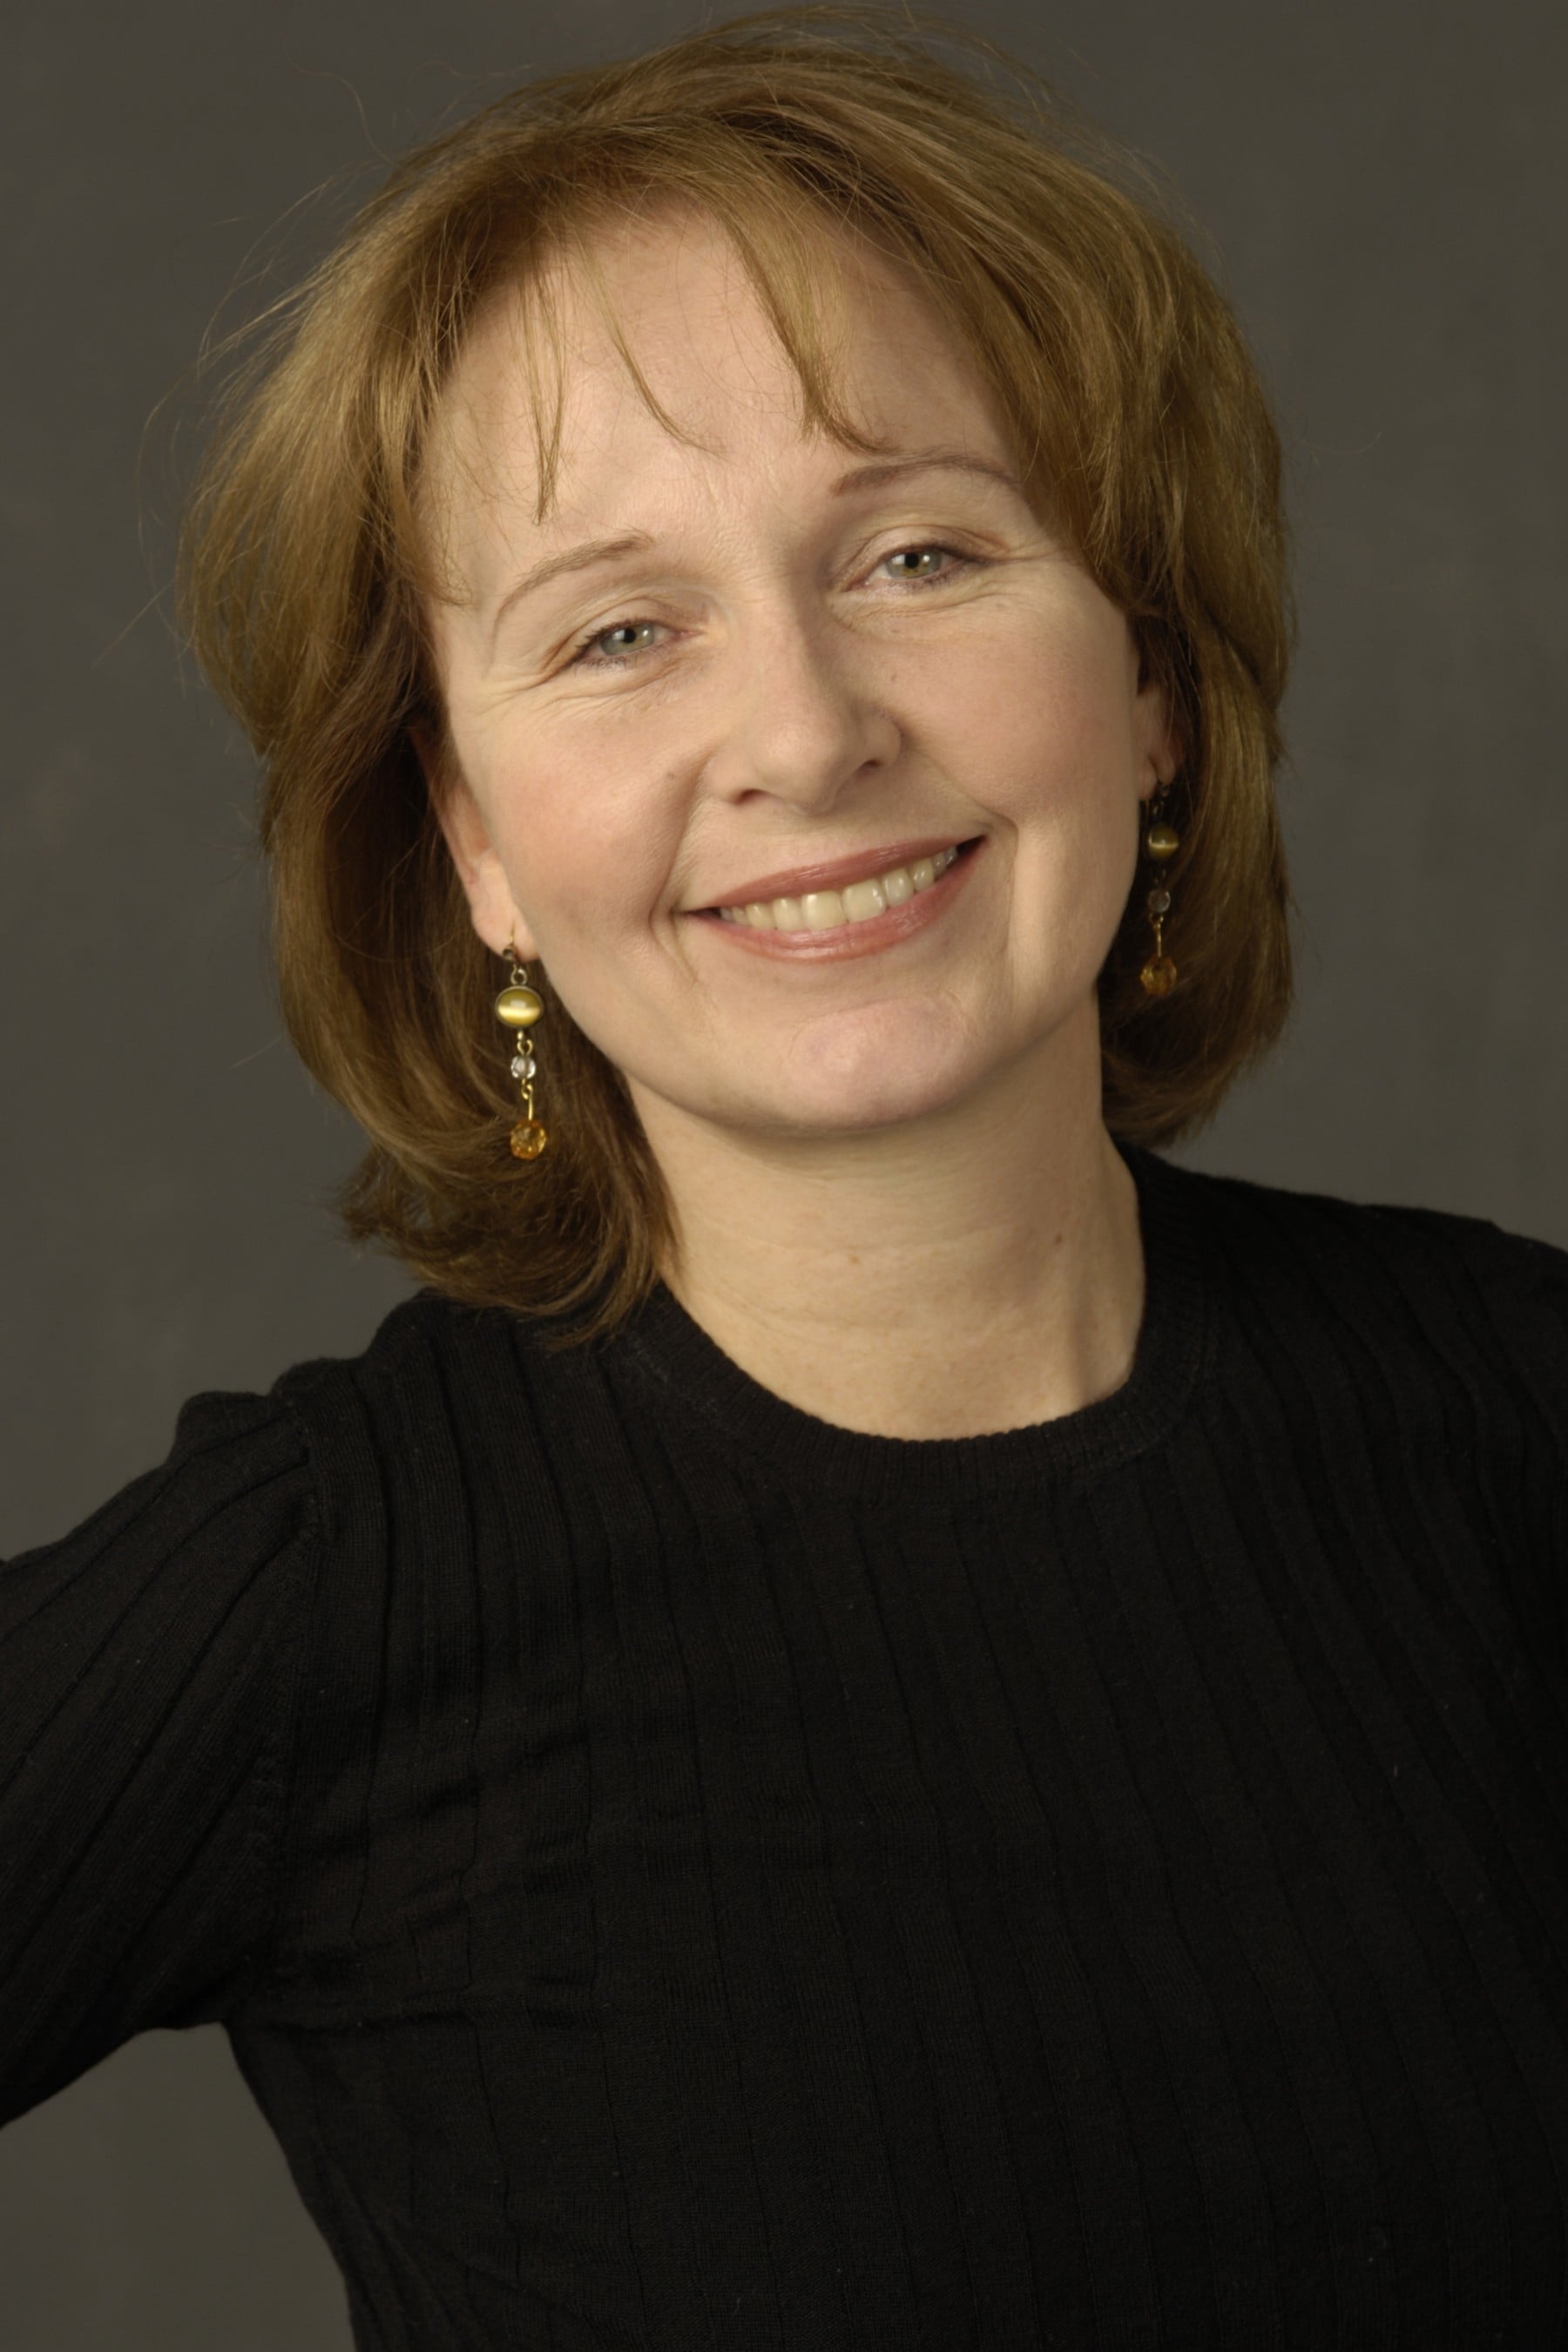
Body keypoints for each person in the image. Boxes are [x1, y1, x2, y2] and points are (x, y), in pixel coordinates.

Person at [3, 6, 1565, 2344]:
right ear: (472, 838)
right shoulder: (333, 1589)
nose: (810, 734)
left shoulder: (1522, 1409)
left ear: (1148, 682)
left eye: (920, 551)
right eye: (621, 630)